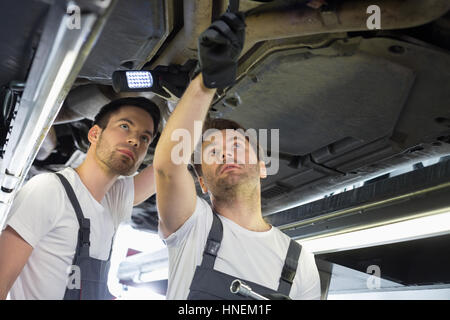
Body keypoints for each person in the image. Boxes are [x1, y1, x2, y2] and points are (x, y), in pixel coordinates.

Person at [154, 12, 321, 300]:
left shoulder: (300, 260)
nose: (226, 153)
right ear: (203, 183)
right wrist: (205, 83)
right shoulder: (192, 226)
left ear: (262, 166)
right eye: (213, 151)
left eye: (236, 145)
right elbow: (168, 168)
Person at [0, 97, 160, 300]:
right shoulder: (50, 190)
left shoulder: (113, 203)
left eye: (145, 138)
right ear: (94, 134)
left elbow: (169, 166)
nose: (134, 140)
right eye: (125, 126)